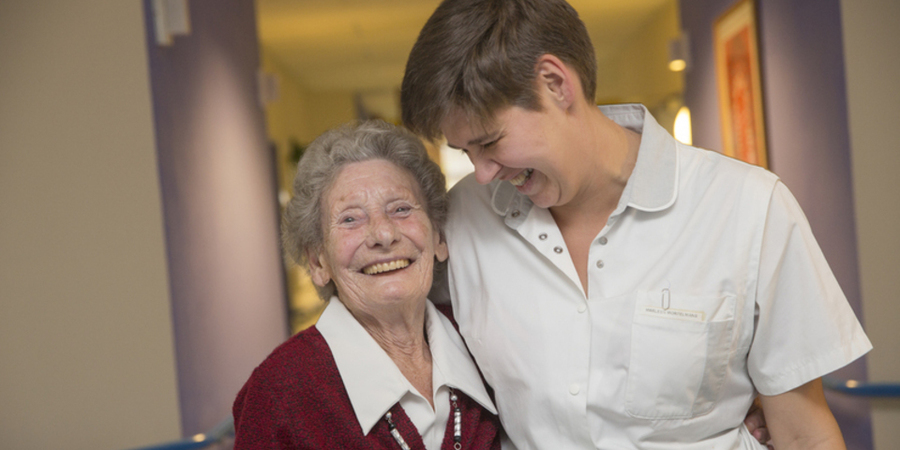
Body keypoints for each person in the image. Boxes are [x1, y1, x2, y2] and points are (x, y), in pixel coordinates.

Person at [400, 0, 872, 448]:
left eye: (490, 142)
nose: (482, 173)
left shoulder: (749, 208)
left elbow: (805, 435)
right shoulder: (463, 217)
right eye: (466, 152)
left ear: (555, 84)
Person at [232, 121, 501, 449]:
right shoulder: (280, 392)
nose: (384, 235)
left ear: (439, 237)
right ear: (318, 262)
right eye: (350, 219)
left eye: (401, 209)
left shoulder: (484, 340)